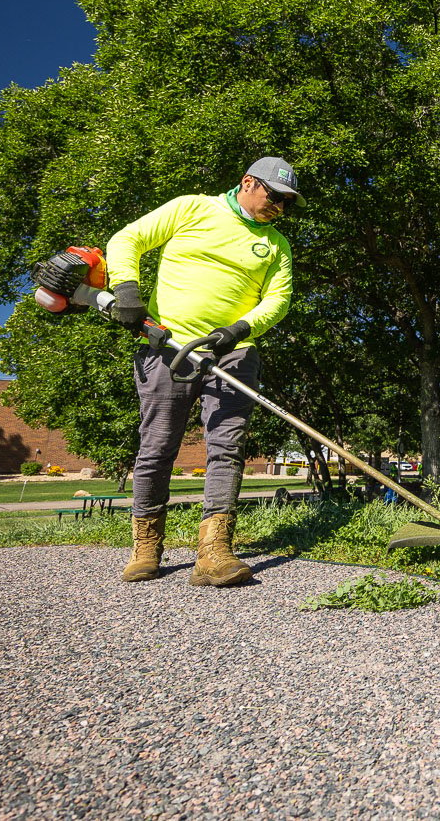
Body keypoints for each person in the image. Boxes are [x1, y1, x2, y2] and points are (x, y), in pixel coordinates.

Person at [104, 156, 299, 586]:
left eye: (287, 203)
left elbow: (278, 301)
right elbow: (127, 239)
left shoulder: (276, 245)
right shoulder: (192, 207)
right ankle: (146, 546)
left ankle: (214, 552)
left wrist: (239, 329)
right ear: (248, 182)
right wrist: (127, 289)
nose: (280, 208)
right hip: (167, 348)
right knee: (157, 448)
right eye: (275, 196)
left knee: (226, 447)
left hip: (233, 353)